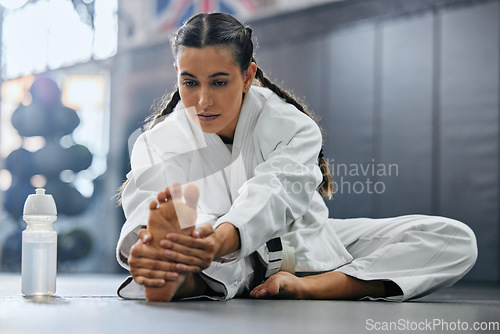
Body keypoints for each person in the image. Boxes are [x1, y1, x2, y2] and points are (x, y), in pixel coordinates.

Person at [116, 12, 477, 302]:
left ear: (248, 76)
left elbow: (274, 193)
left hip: (305, 246)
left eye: (219, 82)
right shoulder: (160, 139)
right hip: (217, 250)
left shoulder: (290, 124)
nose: (203, 100)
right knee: (190, 239)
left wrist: (220, 240)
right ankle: (179, 271)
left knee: (453, 238)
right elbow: (145, 201)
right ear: (177, 76)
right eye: (190, 82)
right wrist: (155, 243)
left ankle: (310, 286)